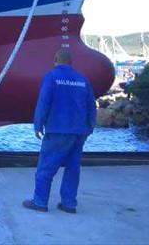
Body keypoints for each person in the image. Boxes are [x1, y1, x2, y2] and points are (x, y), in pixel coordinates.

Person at [23, 48, 97, 213]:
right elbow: (91, 105)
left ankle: (40, 201)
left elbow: (44, 101)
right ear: (71, 62)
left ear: (55, 59)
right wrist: (90, 126)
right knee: (73, 168)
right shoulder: (82, 79)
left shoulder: (52, 77)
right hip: (79, 131)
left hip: (58, 129)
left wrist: (38, 124)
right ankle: (69, 204)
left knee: (46, 167)